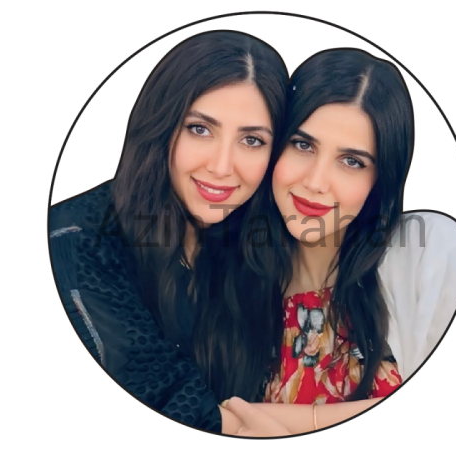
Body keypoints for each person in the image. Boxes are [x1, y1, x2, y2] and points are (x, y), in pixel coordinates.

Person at [48, 30, 291, 435]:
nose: (221, 166)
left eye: (251, 140)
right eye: (200, 129)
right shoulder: (77, 242)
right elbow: (187, 417)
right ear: (161, 126)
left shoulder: (249, 243)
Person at [229, 48, 456, 434]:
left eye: (352, 161)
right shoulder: (229, 279)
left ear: (381, 180)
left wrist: (294, 424)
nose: (315, 182)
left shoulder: (427, 252)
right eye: (303, 145)